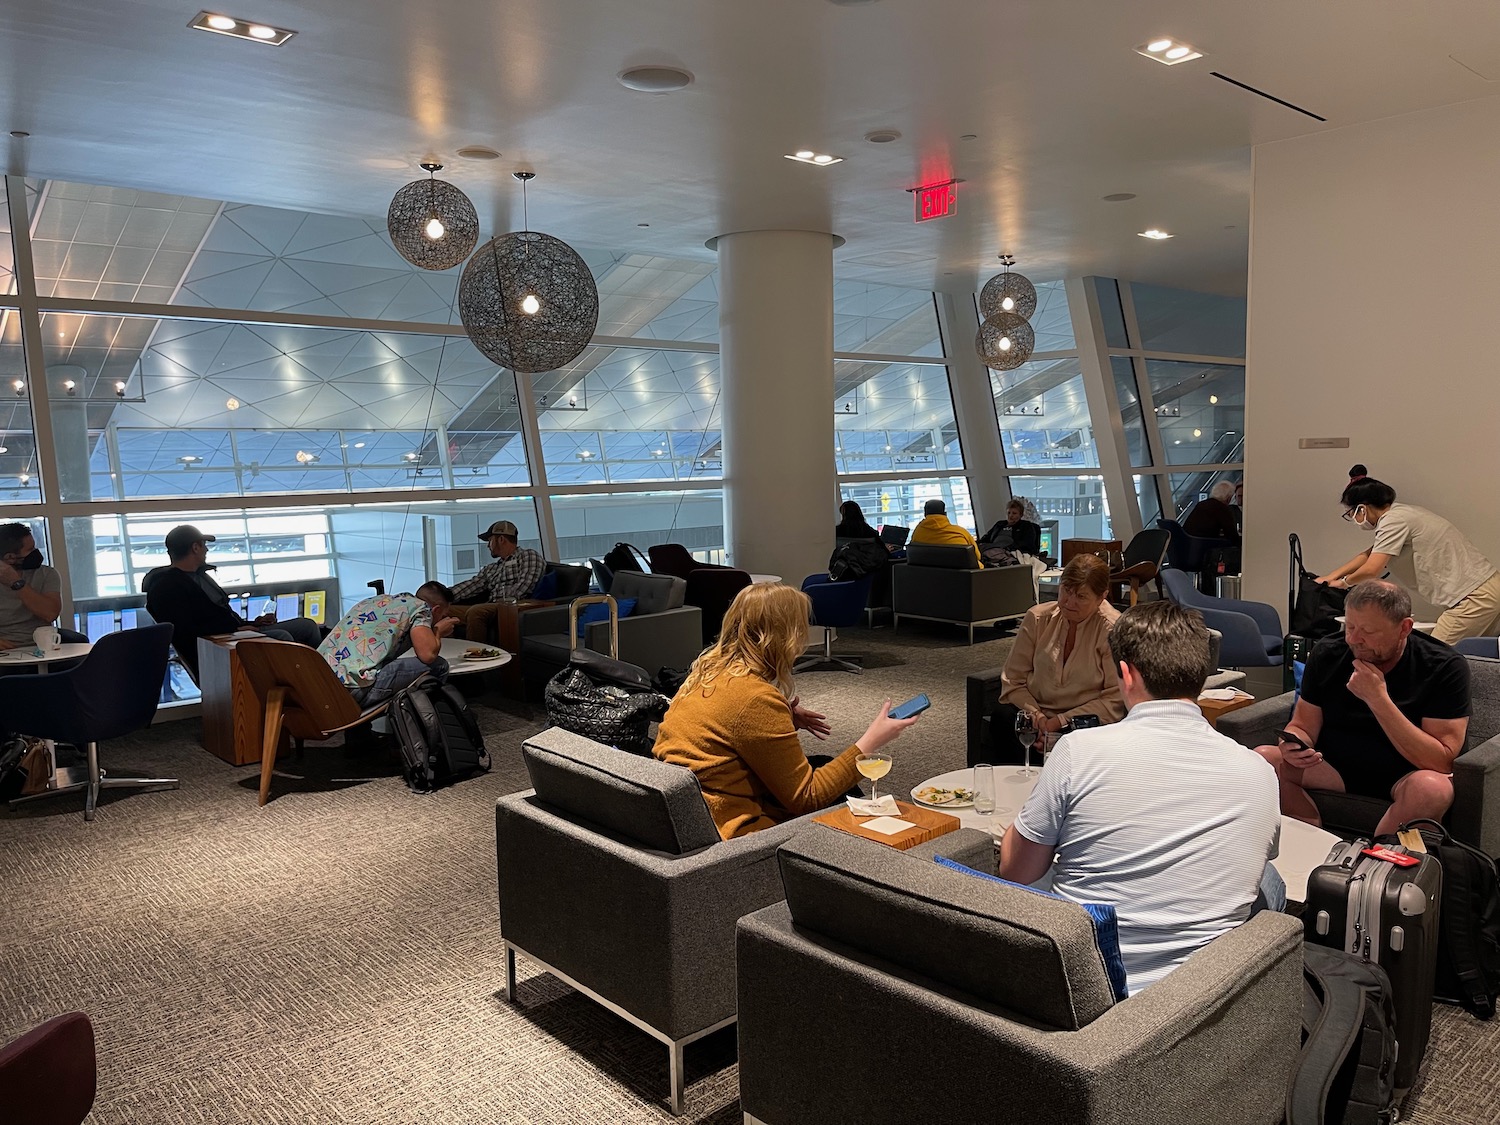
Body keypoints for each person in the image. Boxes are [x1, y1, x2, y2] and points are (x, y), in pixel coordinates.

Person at [999, 600, 1281, 995]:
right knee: (1271, 880)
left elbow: (1016, 873)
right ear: (1201, 677)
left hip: (1091, 986)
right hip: (1202, 991)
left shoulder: (1078, 750)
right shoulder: (1260, 772)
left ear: (1126, 675)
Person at [652, 582, 920, 839]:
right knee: (841, 792)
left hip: (698, 813)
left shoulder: (706, 672)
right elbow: (807, 798)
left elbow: (726, 735)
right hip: (736, 831)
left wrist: (783, 719)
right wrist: (871, 742)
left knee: (824, 764)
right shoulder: (754, 698)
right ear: (783, 636)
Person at [1254, 580, 1468, 837]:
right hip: (1333, 766)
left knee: (1434, 789)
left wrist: (1378, 699)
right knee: (1264, 758)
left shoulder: (1444, 666)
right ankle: (1308, 840)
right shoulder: (1328, 653)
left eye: (1368, 631)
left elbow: (1441, 760)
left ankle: (1376, 859)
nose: (1354, 639)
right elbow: (1302, 724)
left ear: (1404, 628)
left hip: (1404, 774)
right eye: (1350, 626)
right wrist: (1294, 744)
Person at [1316, 468, 1500, 644]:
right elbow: (1368, 555)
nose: (1354, 520)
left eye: (1351, 513)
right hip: (1488, 588)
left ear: (1362, 509)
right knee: (1480, 660)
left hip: (1473, 599)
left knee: (1432, 659)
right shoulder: (1403, 513)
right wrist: (1330, 577)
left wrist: (1343, 583)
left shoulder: (1392, 521)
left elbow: (1372, 568)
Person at [978, 554, 1123, 765]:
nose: (1069, 602)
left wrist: (1060, 722)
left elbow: (1114, 700)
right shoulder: (1037, 618)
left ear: (1102, 597)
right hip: (1036, 712)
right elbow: (1013, 681)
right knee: (1003, 717)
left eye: (1081, 597)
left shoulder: (1113, 629)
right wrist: (1037, 717)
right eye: (1066, 591)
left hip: (1083, 719)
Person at [143, 526, 322, 667]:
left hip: (232, 633)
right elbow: (187, 630)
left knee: (307, 626)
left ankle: (324, 678)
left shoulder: (198, 578)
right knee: (281, 637)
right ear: (195, 548)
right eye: (203, 545)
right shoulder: (166, 588)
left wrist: (252, 623)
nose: (206, 550)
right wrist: (236, 632)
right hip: (220, 645)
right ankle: (301, 689)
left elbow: (218, 616)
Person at [318, 581, 456, 706]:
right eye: (443, 616)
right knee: (439, 665)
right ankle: (421, 727)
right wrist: (438, 632)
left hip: (318, 682)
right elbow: (427, 655)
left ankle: (359, 733)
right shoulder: (421, 608)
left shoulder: (377, 600)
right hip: (351, 690)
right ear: (436, 610)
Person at [450, 520, 546, 645]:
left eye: (490, 540)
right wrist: (445, 595)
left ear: (501, 539)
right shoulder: (492, 568)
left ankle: (477, 657)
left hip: (513, 606)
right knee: (444, 610)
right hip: (490, 606)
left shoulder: (528, 556)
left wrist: (501, 598)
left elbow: (524, 587)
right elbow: (473, 585)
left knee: (476, 611)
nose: (488, 545)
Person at [0, 522, 63, 650]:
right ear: (10, 558)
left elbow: (50, 614)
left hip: (43, 647)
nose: (36, 553)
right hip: (7, 651)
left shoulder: (47, 574)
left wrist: (16, 582)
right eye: (30, 550)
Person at [910, 498, 982, 567]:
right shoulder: (960, 532)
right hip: (969, 577)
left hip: (931, 576)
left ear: (925, 514)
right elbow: (977, 556)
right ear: (945, 514)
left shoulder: (917, 532)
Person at [978, 498, 1043, 558]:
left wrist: (1007, 548)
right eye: (1009, 513)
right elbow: (986, 538)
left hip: (1009, 551)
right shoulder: (999, 524)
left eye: (1014, 513)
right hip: (993, 548)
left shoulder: (1026, 526)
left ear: (1020, 515)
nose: (1010, 515)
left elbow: (1027, 544)